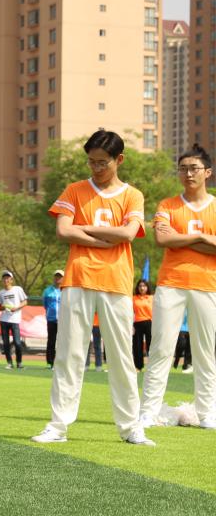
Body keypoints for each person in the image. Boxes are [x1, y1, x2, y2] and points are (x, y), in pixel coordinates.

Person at [32, 129, 152, 447]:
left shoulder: (132, 195)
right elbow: (63, 230)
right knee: (69, 355)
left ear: (119, 160)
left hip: (116, 282)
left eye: (102, 162)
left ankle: (131, 427)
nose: (96, 168)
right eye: (91, 162)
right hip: (78, 279)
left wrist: (83, 229)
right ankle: (58, 425)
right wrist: (103, 238)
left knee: (122, 356)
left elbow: (128, 234)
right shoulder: (74, 190)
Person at [141, 145, 216, 428]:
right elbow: (163, 239)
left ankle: (207, 413)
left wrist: (183, 237)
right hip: (171, 283)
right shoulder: (167, 205)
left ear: (207, 172)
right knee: (161, 348)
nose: (188, 174)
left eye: (194, 168)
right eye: (183, 169)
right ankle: (149, 411)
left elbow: (174, 239)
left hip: (208, 284)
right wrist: (204, 238)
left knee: (205, 352)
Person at [0, 271, 27, 370]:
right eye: (4, 278)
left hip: (15, 320)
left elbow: (25, 302)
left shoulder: (18, 289)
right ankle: (9, 363)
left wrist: (16, 308)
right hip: (4, 320)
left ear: (11, 280)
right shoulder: (0, 293)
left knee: (17, 342)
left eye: (8, 278)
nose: (6, 280)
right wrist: (4, 306)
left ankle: (19, 363)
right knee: (5, 343)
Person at [42, 270, 63, 368]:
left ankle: (62, 362)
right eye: (56, 276)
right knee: (51, 341)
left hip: (63, 320)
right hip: (51, 319)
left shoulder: (66, 290)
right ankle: (50, 362)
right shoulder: (47, 291)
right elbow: (45, 305)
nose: (57, 278)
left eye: (60, 277)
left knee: (62, 341)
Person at [131, 279, 153, 371]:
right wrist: (131, 325)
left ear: (147, 287)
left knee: (151, 345)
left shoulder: (152, 298)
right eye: (140, 286)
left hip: (149, 323)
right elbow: (130, 312)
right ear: (137, 287)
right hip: (137, 323)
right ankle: (138, 366)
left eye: (144, 286)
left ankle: (152, 366)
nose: (142, 288)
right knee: (137, 346)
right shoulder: (134, 298)